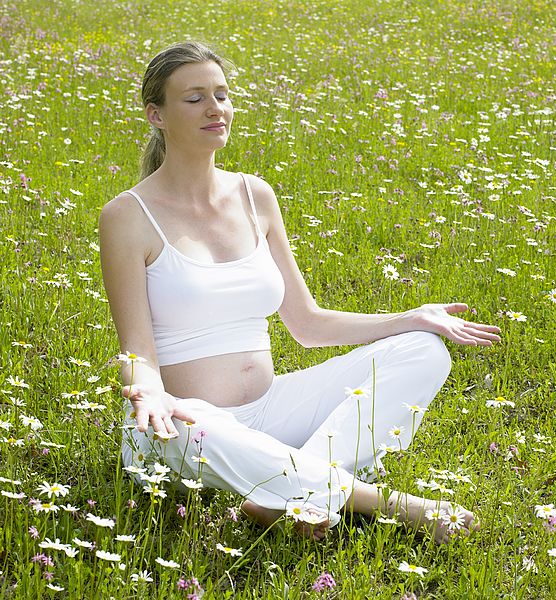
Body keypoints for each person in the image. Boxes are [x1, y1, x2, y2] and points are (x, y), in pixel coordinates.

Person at [99, 41, 501, 542]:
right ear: (155, 114)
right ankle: (390, 505)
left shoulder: (254, 195)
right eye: (194, 97)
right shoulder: (128, 216)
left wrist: (411, 317)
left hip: (272, 412)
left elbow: (307, 324)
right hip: (185, 427)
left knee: (423, 350)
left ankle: (283, 493)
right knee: (194, 415)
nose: (215, 109)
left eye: (222, 95)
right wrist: (150, 394)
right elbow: (136, 349)